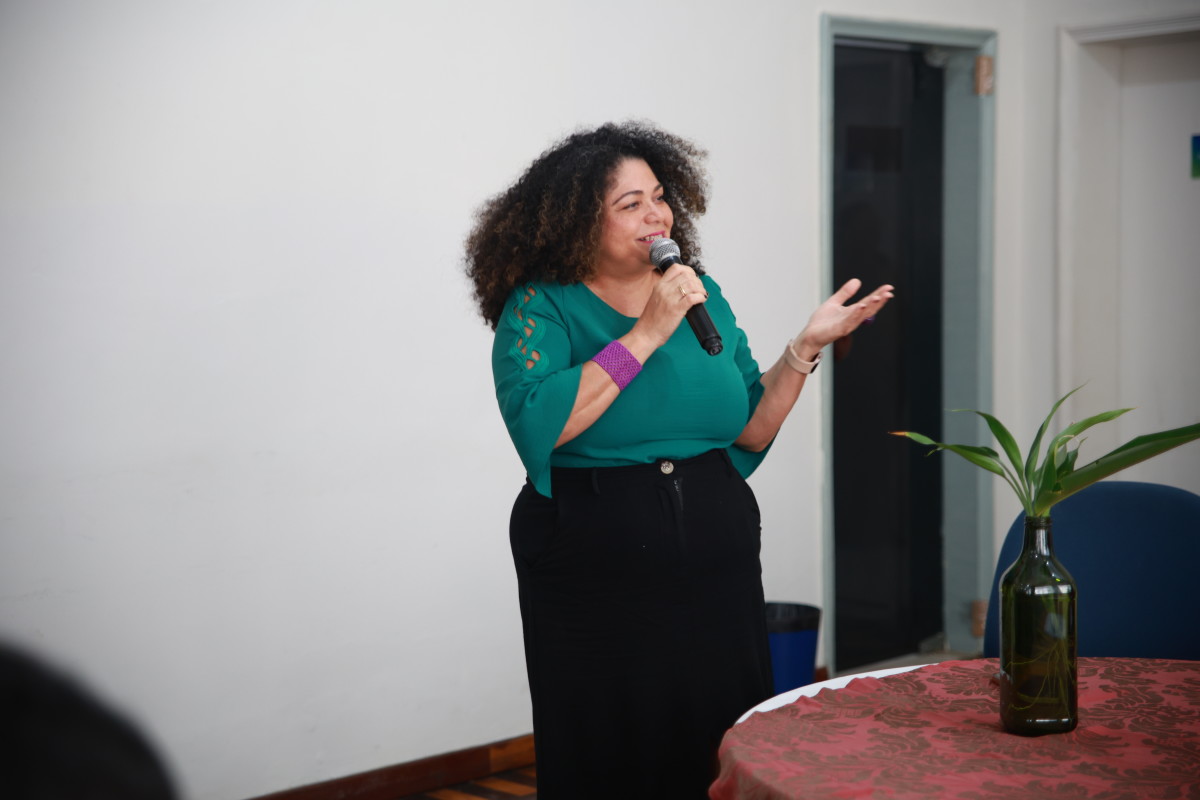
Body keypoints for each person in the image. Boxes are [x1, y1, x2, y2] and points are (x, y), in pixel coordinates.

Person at [464, 121, 893, 799]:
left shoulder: (700, 291)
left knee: (720, 734)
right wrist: (648, 331)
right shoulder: (541, 305)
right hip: (591, 554)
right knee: (610, 743)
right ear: (578, 221)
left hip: (715, 548)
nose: (656, 214)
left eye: (660, 196)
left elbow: (749, 428)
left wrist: (806, 347)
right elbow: (544, 423)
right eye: (630, 203)